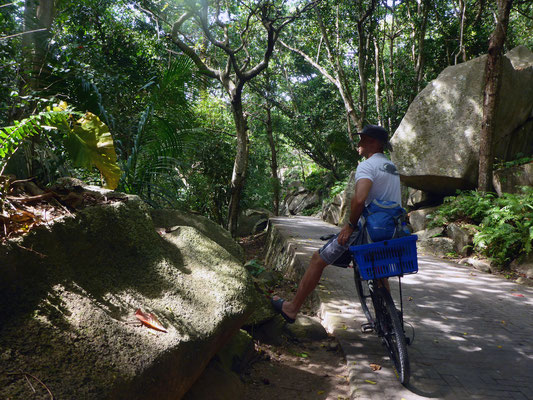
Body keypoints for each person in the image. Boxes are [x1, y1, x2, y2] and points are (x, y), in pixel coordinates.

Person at [271, 125, 401, 323]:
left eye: (363, 139)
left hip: (369, 230)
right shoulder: (391, 167)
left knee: (317, 259)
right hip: (393, 230)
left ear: (374, 143)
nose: (358, 143)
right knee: (380, 270)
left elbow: (359, 199)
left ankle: (291, 308)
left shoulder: (367, 166)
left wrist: (349, 226)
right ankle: (388, 319)